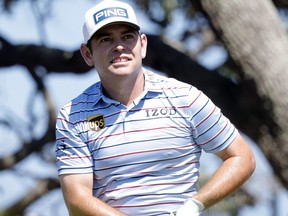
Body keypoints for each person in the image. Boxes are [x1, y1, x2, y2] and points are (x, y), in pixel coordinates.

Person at [55, 0, 256, 215]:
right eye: (106, 39)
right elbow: (77, 199)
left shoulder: (184, 98)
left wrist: (195, 205)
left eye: (127, 36)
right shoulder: (73, 115)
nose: (119, 46)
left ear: (142, 44)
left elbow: (242, 157)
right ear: (87, 54)